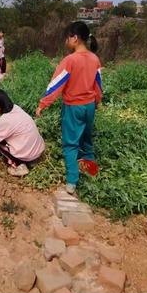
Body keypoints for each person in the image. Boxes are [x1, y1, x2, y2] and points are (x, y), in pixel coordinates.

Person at [35, 21, 102, 195]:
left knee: (70, 145)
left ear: (74, 38)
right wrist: (97, 103)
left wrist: (43, 104)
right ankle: (92, 174)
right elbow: (98, 85)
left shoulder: (70, 60)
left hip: (74, 107)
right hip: (89, 106)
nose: (66, 41)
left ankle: (72, 182)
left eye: (67, 37)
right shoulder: (95, 59)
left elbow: (56, 84)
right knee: (87, 141)